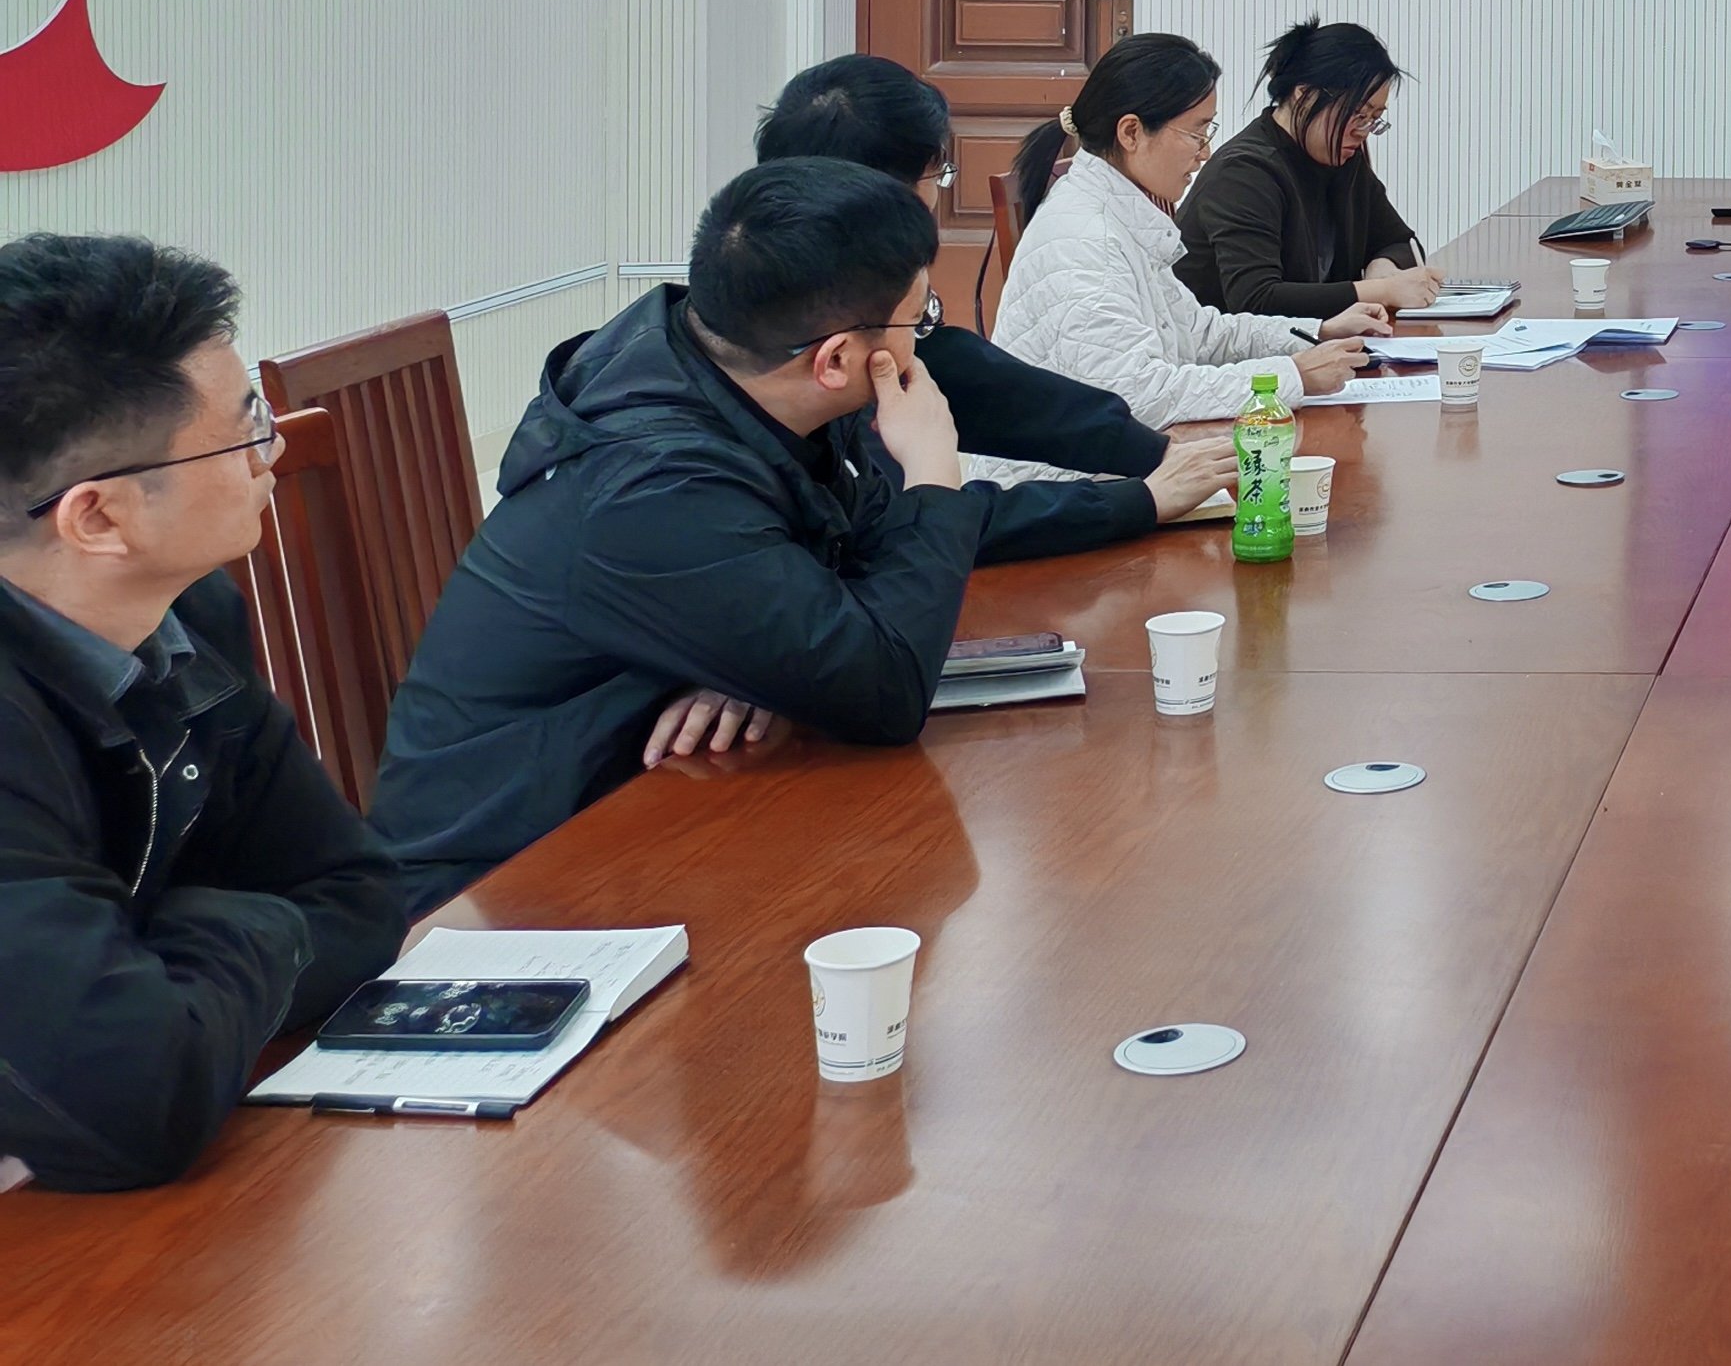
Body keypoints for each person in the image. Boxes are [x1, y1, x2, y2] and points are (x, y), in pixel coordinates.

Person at [370, 161, 1216, 913]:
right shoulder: (653, 486)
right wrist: (931, 468)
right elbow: (885, 691)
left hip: (652, 802)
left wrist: (772, 654)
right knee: (933, 885)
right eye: (917, 321)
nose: (923, 346)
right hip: (502, 890)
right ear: (837, 359)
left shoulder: (741, 374)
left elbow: (867, 548)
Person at [0, 236, 402, 1192]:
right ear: (98, 517)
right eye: (243, 428)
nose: (274, 450)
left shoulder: (186, 617)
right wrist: (252, 935)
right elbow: (135, 1103)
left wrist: (165, 970)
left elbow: (358, 894)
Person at [756, 54, 1233, 534]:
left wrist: (1152, 453)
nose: (935, 203)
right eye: (937, 176)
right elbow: (914, 530)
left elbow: (979, 381)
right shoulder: (820, 378)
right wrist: (1139, 498)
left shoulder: (819, 286)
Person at [992, 33, 1385, 429]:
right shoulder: (1089, 243)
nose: (1205, 152)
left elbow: (1200, 333)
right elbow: (1137, 397)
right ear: (1131, 133)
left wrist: (1317, 332)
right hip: (1064, 466)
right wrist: (1292, 377)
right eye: (1197, 133)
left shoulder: (1121, 212)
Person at [1176, 18, 1449, 323]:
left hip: (1312, 344)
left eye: (1374, 119)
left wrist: (1383, 268)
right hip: (1223, 351)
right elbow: (1256, 299)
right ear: (1304, 95)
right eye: (1357, 114)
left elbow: (1400, 242)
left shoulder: (1342, 157)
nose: (1363, 132)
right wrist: (1379, 290)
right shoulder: (1243, 172)